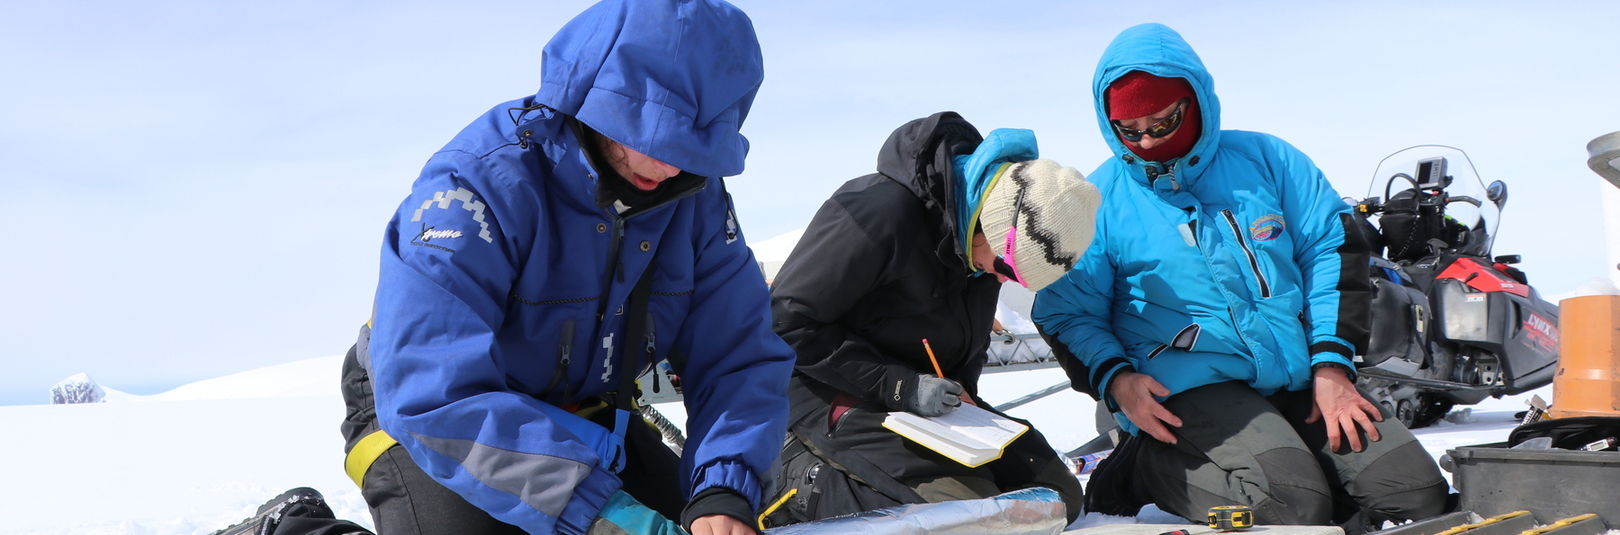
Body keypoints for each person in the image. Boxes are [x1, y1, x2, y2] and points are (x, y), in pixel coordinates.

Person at [335, 1, 793, 534]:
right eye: (646, 135)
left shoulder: (698, 203)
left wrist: (722, 488)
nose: (666, 165)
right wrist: (601, 515)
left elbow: (737, 356)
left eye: (691, 148)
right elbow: (431, 388)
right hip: (423, 415)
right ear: (586, 96)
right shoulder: (475, 191)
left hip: (584, 410)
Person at [1032, 23, 1450, 526]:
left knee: (1417, 495)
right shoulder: (1098, 203)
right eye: (1129, 129)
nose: (1145, 140)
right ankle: (1138, 468)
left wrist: (1332, 368)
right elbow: (1066, 311)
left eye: (1162, 123)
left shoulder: (1268, 161)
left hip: (1296, 373)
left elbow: (1332, 251)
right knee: (1289, 507)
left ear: (1197, 102)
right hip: (1184, 386)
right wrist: (1118, 380)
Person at [763, 112, 1099, 527]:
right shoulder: (878, 213)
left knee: (1055, 498)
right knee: (973, 518)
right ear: (993, 224)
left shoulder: (979, 248)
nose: (1000, 278)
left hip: (915, 406)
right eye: (1008, 268)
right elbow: (784, 323)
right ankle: (797, 484)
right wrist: (901, 386)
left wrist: (960, 391)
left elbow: (967, 344)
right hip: (824, 393)